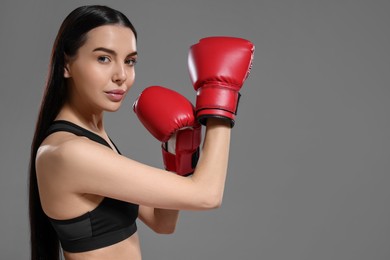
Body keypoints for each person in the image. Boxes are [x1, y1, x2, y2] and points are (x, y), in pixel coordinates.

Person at [28, 5, 254, 260]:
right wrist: (220, 98)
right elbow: (207, 195)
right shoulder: (70, 153)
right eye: (103, 58)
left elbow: (162, 223)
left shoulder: (94, 141)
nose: (121, 75)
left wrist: (179, 156)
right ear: (66, 65)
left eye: (130, 61)